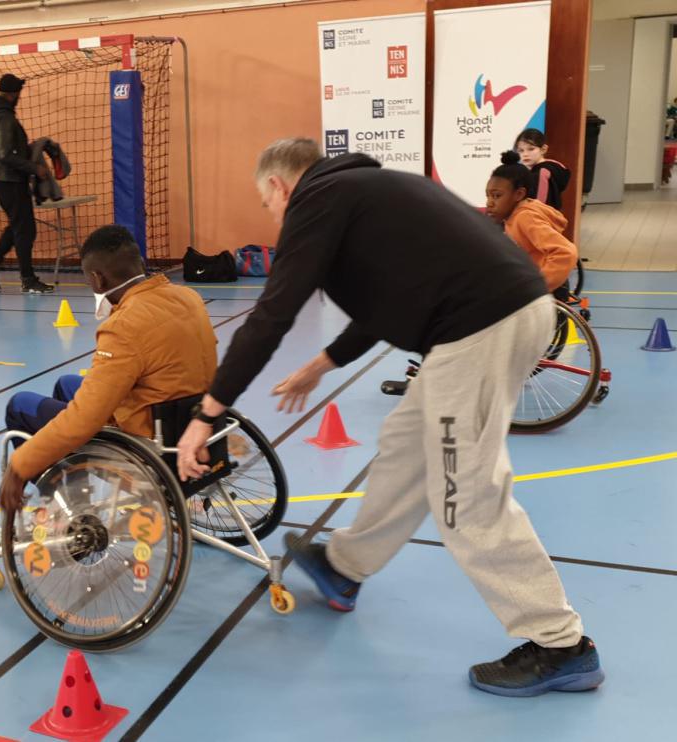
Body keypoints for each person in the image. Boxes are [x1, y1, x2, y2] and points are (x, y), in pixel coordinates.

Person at [175, 138, 603, 698]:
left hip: (480, 329)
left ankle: (559, 643)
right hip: (501, 317)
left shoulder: (318, 200)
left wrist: (209, 411)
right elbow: (392, 301)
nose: (274, 216)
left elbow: (273, 312)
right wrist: (323, 364)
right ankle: (345, 566)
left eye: (266, 203)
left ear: (281, 187)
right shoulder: (365, 189)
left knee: (466, 498)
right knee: (404, 442)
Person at [0, 225, 217, 511]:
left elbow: (84, 420)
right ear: (140, 263)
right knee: (66, 384)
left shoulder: (124, 326)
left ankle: (71, 512)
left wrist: (20, 466)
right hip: (191, 419)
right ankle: (77, 491)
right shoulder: (187, 297)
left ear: (97, 279)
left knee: (20, 405)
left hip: (150, 442)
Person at [0, 74, 54, 295]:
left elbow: (7, 149)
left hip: (3, 177)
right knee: (25, 229)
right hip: (8, 178)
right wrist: (35, 168)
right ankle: (28, 280)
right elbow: (5, 154)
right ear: (13, 94)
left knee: (18, 225)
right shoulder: (3, 116)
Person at [486, 151, 578, 296]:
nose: (489, 203)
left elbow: (566, 252)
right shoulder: (513, 217)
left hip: (545, 290)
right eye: (488, 196)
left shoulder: (525, 218)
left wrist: (537, 286)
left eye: (497, 196)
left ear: (519, 194)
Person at [514, 128, 570, 211]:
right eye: (521, 150)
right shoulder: (553, 167)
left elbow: (539, 205)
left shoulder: (542, 172)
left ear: (543, 149)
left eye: (531, 149)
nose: (525, 154)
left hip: (538, 219)